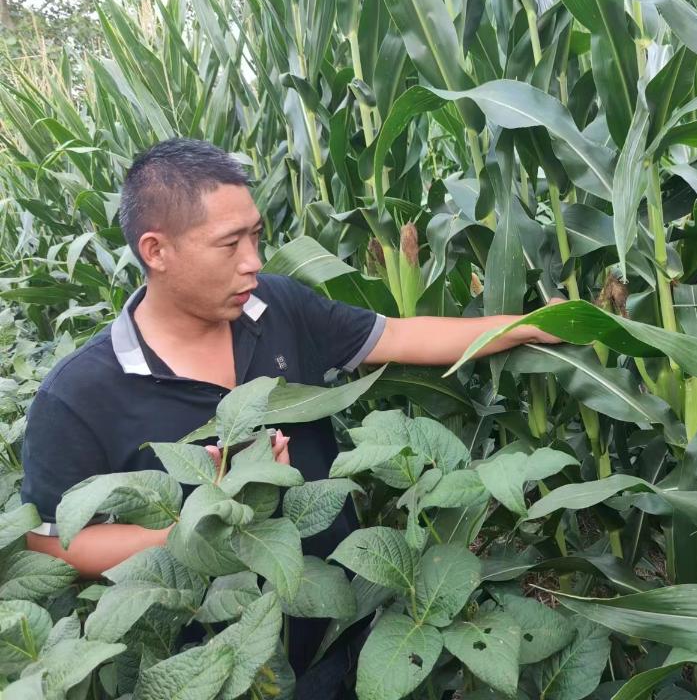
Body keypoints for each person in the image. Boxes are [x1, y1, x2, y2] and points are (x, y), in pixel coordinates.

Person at [20, 138, 560, 696]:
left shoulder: (277, 307)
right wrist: (206, 528)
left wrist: (535, 324)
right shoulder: (79, 395)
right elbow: (54, 544)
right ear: (156, 251)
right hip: (216, 667)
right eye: (230, 243)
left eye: (255, 235)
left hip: (343, 628)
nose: (253, 261)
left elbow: (399, 336)